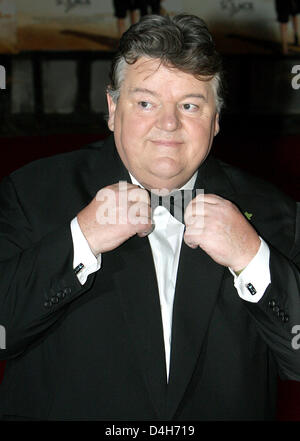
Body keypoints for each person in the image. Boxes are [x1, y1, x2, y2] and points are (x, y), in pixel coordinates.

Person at [0, 14, 300, 421]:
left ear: (215, 119)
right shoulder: (31, 192)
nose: (168, 124)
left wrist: (253, 258)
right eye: (145, 102)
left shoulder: (274, 213)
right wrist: (80, 239)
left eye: (190, 105)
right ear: (111, 108)